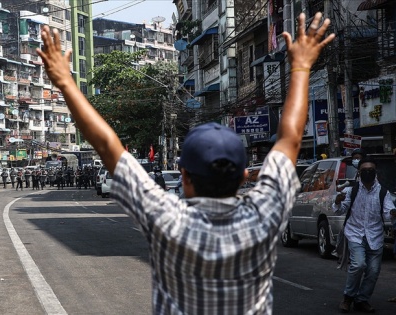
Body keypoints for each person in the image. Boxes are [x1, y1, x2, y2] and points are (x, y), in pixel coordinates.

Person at [37, 12, 334, 313]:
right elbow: (290, 139)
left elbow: (107, 145)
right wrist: (300, 67)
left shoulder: (168, 219)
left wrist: (65, 82)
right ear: (245, 175)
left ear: (185, 177)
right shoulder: (262, 215)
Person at [333, 156, 396, 313]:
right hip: (355, 234)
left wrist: (393, 212)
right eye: (364, 171)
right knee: (359, 264)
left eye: (371, 170)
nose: (368, 173)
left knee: (374, 271)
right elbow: (339, 210)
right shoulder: (351, 190)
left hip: (375, 235)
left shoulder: (383, 192)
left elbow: (388, 213)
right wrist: (338, 201)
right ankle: (348, 297)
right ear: (359, 173)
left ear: (375, 173)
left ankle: (362, 300)